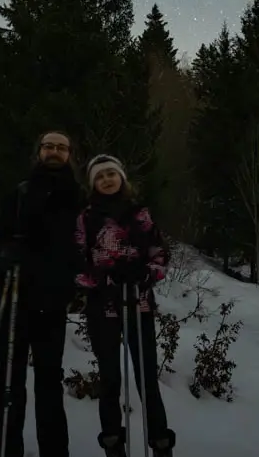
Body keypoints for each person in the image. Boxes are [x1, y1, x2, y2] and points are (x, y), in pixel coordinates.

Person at [0, 130, 86, 457]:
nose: (54, 151)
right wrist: (3, 254)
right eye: (48, 146)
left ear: (70, 154)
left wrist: (75, 280)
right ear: (38, 151)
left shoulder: (78, 198)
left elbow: (86, 248)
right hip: (16, 297)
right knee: (9, 378)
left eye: (61, 147)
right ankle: (5, 448)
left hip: (54, 300)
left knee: (48, 381)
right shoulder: (20, 192)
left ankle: (54, 451)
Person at [75, 154, 175, 457]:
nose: (107, 179)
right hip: (102, 305)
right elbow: (77, 264)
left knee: (146, 377)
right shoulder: (87, 218)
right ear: (94, 183)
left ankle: (160, 443)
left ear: (121, 177)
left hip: (138, 302)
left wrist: (145, 273)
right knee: (110, 377)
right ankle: (112, 442)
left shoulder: (140, 215)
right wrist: (104, 279)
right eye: (100, 176)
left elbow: (160, 256)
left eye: (111, 174)